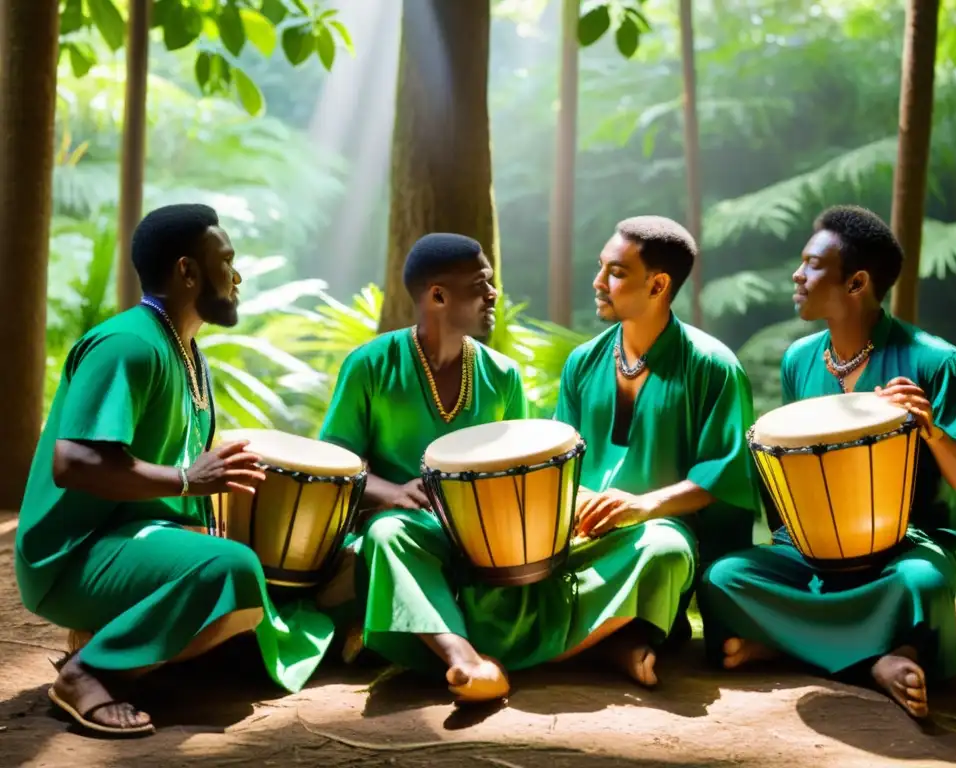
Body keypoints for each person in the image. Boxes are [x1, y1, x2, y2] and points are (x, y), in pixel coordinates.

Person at [319, 232, 702, 703]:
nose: (493, 294)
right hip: (419, 531)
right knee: (385, 536)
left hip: (501, 542)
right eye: (481, 283)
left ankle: (576, 647)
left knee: (666, 543)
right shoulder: (372, 364)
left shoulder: (502, 374)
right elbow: (340, 463)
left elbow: (523, 466)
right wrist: (392, 494)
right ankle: (465, 660)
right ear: (438, 295)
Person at [15, 204, 335, 737]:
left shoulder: (189, 354)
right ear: (187, 271)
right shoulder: (128, 345)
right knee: (230, 570)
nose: (237, 276)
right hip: (70, 556)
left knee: (273, 581)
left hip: (129, 541)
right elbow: (74, 464)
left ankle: (114, 637)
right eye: (226, 260)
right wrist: (190, 480)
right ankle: (87, 671)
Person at [700, 205, 956, 720]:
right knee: (721, 577)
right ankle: (878, 660)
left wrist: (929, 429)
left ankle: (790, 644)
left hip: (906, 549)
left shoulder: (935, 361)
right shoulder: (799, 359)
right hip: (813, 550)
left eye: (812, 264)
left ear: (856, 282)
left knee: (922, 585)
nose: (797, 275)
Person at [553, 215, 763, 674]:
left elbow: (720, 477)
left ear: (658, 284)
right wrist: (580, 500)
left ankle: (602, 638)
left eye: (616, 272)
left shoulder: (713, 366)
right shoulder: (582, 362)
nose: (599, 282)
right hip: (585, 528)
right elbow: (562, 459)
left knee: (663, 551)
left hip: (663, 531)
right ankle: (619, 640)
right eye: (600, 267)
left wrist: (642, 508)